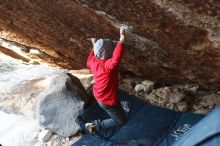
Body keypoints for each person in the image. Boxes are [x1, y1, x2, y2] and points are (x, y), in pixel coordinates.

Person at [85, 26, 127, 133]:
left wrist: (94, 44)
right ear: (106, 53)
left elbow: (96, 53)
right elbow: (116, 59)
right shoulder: (108, 66)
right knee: (121, 121)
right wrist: (121, 38)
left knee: (117, 108)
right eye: (111, 47)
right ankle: (93, 126)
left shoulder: (93, 61)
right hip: (107, 100)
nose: (113, 49)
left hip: (99, 94)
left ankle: (118, 112)